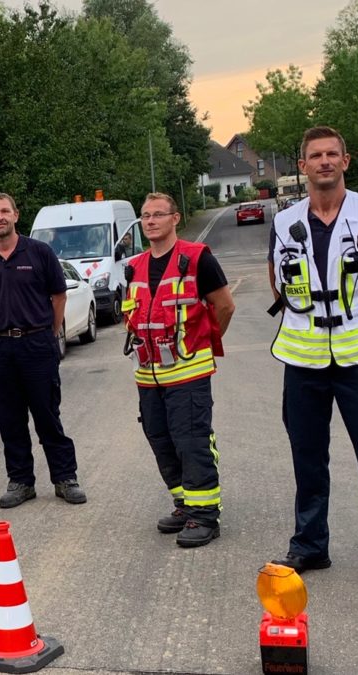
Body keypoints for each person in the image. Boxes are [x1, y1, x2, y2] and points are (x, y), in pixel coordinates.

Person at [268, 126, 358, 592]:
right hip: (303, 362)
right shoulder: (282, 222)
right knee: (307, 458)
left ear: (346, 161)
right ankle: (310, 545)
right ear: (303, 166)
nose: (325, 161)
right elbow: (278, 285)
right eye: (316, 155)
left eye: (333, 153)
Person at [122, 193, 235, 548]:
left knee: (192, 441)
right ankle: (185, 504)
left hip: (188, 373)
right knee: (160, 439)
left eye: (158, 215)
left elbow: (225, 306)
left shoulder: (198, 259)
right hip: (148, 375)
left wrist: (200, 343)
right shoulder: (134, 266)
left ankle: (205, 515)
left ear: (175, 219)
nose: (151, 221)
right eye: (145, 216)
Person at [0, 192, 87, 509]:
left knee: (47, 415)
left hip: (37, 344)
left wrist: (47, 331)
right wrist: (2, 327)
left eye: (5, 211)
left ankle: (65, 478)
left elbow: (58, 297)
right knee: (10, 419)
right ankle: (21, 482)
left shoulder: (39, 253)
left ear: (16, 215)